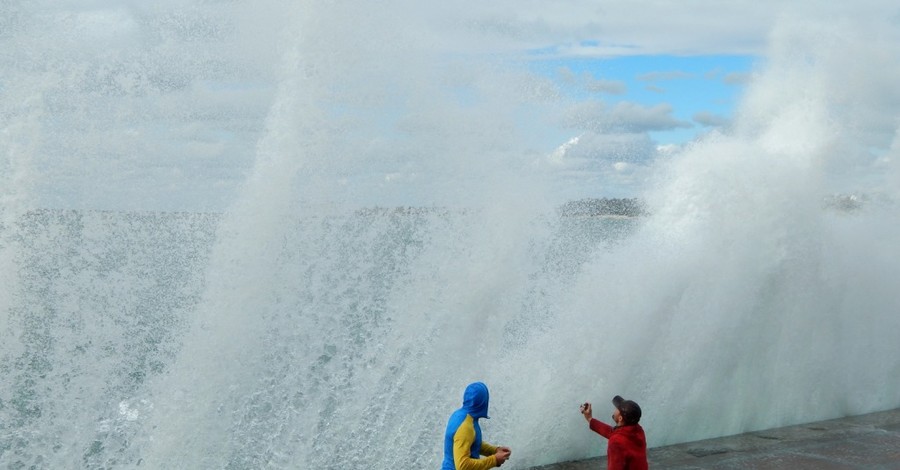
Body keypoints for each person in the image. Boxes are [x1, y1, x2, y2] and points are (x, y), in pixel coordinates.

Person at [442, 382, 511, 469]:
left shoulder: (459, 415)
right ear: (483, 401)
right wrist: (494, 460)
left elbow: (471, 443)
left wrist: (494, 450)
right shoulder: (466, 427)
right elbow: (462, 465)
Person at [580, 395, 648, 470]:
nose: (614, 409)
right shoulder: (638, 430)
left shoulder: (616, 441)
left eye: (617, 408)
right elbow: (614, 433)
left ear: (620, 418)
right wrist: (590, 419)